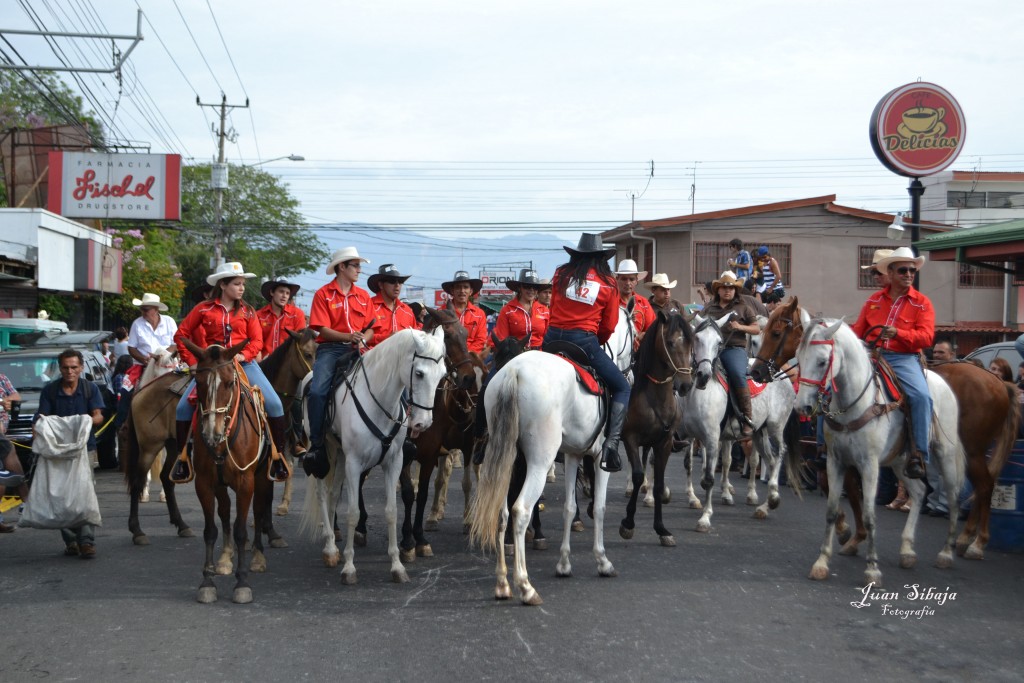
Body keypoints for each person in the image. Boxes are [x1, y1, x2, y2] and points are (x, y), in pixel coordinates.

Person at [172, 262, 289, 483]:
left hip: (244, 364)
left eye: (243, 284)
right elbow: (181, 335)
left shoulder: (248, 311)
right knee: (182, 408)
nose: (242, 288)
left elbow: (257, 341)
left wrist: (244, 355)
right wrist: (193, 362)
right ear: (223, 285)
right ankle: (183, 458)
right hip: (212, 367)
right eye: (237, 284)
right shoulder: (203, 309)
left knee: (275, 404)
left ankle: (277, 457)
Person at [543, 233, 628, 472]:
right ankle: (611, 446)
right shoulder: (608, 282)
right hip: (583, 342)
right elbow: (609, 325)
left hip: (552, 340)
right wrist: (595, 342)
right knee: (622, 387)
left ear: (577, 254)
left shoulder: (561, 274)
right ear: (601, 257)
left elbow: (552, 308)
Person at [851, 247, 934, 479]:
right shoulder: (873, 300)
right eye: (903, 270)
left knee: (921, 396)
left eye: (912, 270)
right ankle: (824, 447)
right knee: (832, 385)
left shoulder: (922, 303)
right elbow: (858, 331)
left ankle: (918, 454)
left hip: (903, 358)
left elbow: (927, 338)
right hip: (871, 356)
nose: (909, 274)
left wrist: (899, 333)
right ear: (891, 272)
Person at [303, 248, 375, 478]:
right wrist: (348, 336)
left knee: (388, 378)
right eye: (356, 265)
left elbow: (372, 328)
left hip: (359, 348)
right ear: (342, 267)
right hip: (331, 350)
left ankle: (398, 435)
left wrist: (363, 339)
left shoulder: (363, 296)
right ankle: (316, 445)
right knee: (317, 391)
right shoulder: (323, 294)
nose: (359, 270)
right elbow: (322, 330)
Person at [34, 349, 104, 557]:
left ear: (81, 368)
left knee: (84, 493)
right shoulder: (50, 391)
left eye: (74, 367)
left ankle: (86, 540)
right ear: (60, 368)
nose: (70, 371)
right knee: (62, 494)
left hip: (85, 448)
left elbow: (98, 416)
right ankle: (70, 540)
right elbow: (41, 418)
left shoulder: (90, 388)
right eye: (65, 368)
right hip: (57, 451)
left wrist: (85, 421)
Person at [701, 271, 760, 441]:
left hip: (734, 349)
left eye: (731, 288)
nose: (728, 291)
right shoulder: (709, 308)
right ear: (718, 290)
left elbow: (757, 328)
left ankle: (747, 417)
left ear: (735, 290)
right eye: (724, 288)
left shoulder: (744, 307)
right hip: (711, 350)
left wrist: (740, 327)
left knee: (736, 373)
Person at [126, 293, 179, 390]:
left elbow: (175, 344)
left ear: (156, 309)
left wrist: (162, 357)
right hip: (143, 366)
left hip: (168, 366)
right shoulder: (137, 324)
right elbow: (131, 347)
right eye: (142, 309)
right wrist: (144, 359)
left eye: (146, 309)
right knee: (125, 392)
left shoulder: (169, 321)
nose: (143, 312)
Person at [492, 269, 549, 351]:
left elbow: (548, 338)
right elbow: (503, 340)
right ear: (520, 288)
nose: (531, 290)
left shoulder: (545, 311)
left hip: (539, 354)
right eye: (527, 286)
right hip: (515, 354)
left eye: (535, 287)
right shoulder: (507, 310)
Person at [366, 264, 418, 349]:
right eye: (392, 281)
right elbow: (360, 338)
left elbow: (415, 338)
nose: (397, 285)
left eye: (400, 281)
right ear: (381, 285)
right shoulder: (369, 306)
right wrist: (387, 338)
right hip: (375, 355)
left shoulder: (407, 311)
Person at [0, 373, 26, 533]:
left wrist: (7, 401)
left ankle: (28, 505)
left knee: (11, 467)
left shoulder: (1, 378)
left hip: (2, 431)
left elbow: (15, 396)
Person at [256, 278, 307, 357]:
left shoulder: (297, 314)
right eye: (281, 292)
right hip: (264, 360)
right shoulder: (259, 315)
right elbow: (255, 340)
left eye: (287, 293)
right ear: (272, 292)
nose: (284, 296)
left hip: (288, 360)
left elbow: (301, 341)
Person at [441, 271, 488, 355]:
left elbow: (480, 340)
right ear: (452, 291)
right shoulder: (442, 312)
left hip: (470, 357)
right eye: (458, 287)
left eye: (465, 287)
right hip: (446, 356)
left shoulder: (479, 314)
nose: (462, 291)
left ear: (471, 291)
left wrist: (466, 354)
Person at [613, 259, 655, 350]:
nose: (628, 283)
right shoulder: (610, 301)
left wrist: (643, 335)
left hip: (640, 351)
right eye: (624, 279)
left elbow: (653, 328)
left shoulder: (643, 303)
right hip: (616, 350)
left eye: (631, 279)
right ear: (617, 279)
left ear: (636, 281)